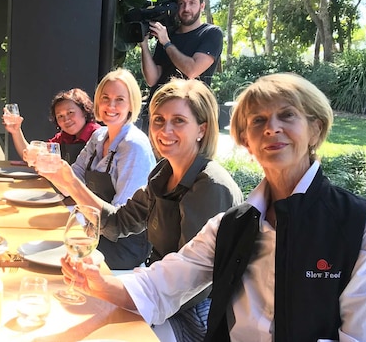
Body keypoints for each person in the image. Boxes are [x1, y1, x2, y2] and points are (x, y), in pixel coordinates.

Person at [61, 73, 366, 341]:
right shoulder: (231, 225)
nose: (272, 128)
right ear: (245, 140)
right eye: (258, 121)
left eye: (287, 116)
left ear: (315, 129)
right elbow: (161, 284)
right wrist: (96, 282)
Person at [47, 79, 243, 341]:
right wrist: (70, 183)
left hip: (190, 315)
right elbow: (118, 222)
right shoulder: (163, 173)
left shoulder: (209, 186)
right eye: (159, 120)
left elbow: (190, 283)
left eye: (179, 121)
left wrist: (120, 293)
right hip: (156, 294)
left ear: (202, 129)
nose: (165, 129)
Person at [41, 69, 156, 269]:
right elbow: (70, 183)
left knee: (54, 262)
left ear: (132, 104)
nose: (110, 106)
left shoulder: (134, 146)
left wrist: (69, 180)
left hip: (123, 247)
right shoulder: (99, 137)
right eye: (105, 98)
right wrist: (48, 171)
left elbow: (120, 222)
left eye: (119, 99)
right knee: (43, 244)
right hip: (95, 233)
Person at [139, 0, 223, 104]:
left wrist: (167, 43)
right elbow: (152, 79)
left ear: (202, 6)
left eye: (192, 3)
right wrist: (144, 45)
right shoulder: (167, 35)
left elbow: (192, 70)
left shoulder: (211, 33)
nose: (186, 9)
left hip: (192, 112)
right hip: (159, 108)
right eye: (181, 4)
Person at [2, 88, 101, 164]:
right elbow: (33, 156)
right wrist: (16, 131)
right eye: (60, 116)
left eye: (70, 112)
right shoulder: (64, 137)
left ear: (84, 111)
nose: (66, 119)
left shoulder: (99, 136)